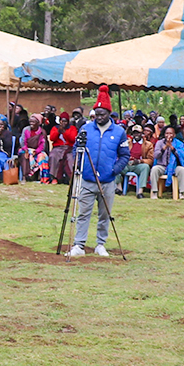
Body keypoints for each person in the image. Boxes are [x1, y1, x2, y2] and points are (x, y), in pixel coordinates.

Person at [68, 102, 126, 257]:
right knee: (83, 213)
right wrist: (79, 164)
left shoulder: (119, 132)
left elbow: (125, 155)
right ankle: (79, 245)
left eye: (102, 114)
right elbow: (76, 148)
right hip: (87, 179)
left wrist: (114, 170)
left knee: (105, 214)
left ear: (109, 113)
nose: (99, 118)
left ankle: (101, 244)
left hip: (107, 181)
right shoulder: (86, 128)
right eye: (96, 114)